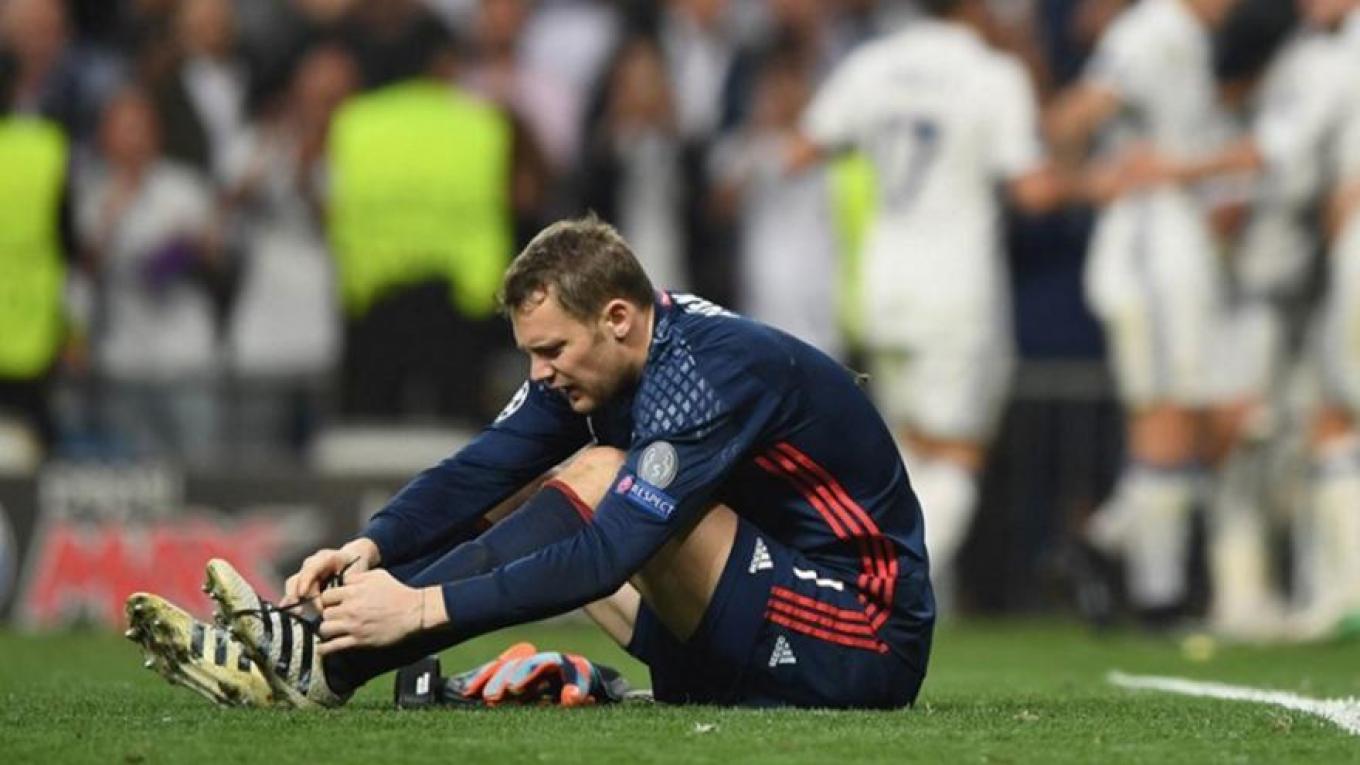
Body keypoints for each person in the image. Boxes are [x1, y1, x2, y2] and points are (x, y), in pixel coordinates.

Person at [128, 215, 934, 710]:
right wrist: (371, 546)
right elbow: (481, 469)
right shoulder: (603, 360)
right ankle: (309, 639)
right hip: (748, 615)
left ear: (617, 318)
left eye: (550, 350)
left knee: (598, 482)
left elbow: (608, 556)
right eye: (529, 352)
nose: (538, 372)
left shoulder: (706, 373)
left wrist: (419, 608)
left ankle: (325, 660)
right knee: (557, 484)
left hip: (860, 634)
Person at [785, 0, 1067, 603]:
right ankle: (885, 593)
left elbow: (801, 148)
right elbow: (1035, 190)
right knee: (958, 452)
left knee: (910, 450)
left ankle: (900, 589)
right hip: (955, 289)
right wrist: (1089, 175)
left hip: (883, 284)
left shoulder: (871, 64)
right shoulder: (993, 74)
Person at [1045, 0, 1241, 622]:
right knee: (1171, 414)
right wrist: (1083, 182)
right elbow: (1072, 115)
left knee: (1185, 418)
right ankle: (1147, 583)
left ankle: (1117, 554)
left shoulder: (1182, 34)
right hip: (1152, 244)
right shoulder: (1154, 29)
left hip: (1169, 241)